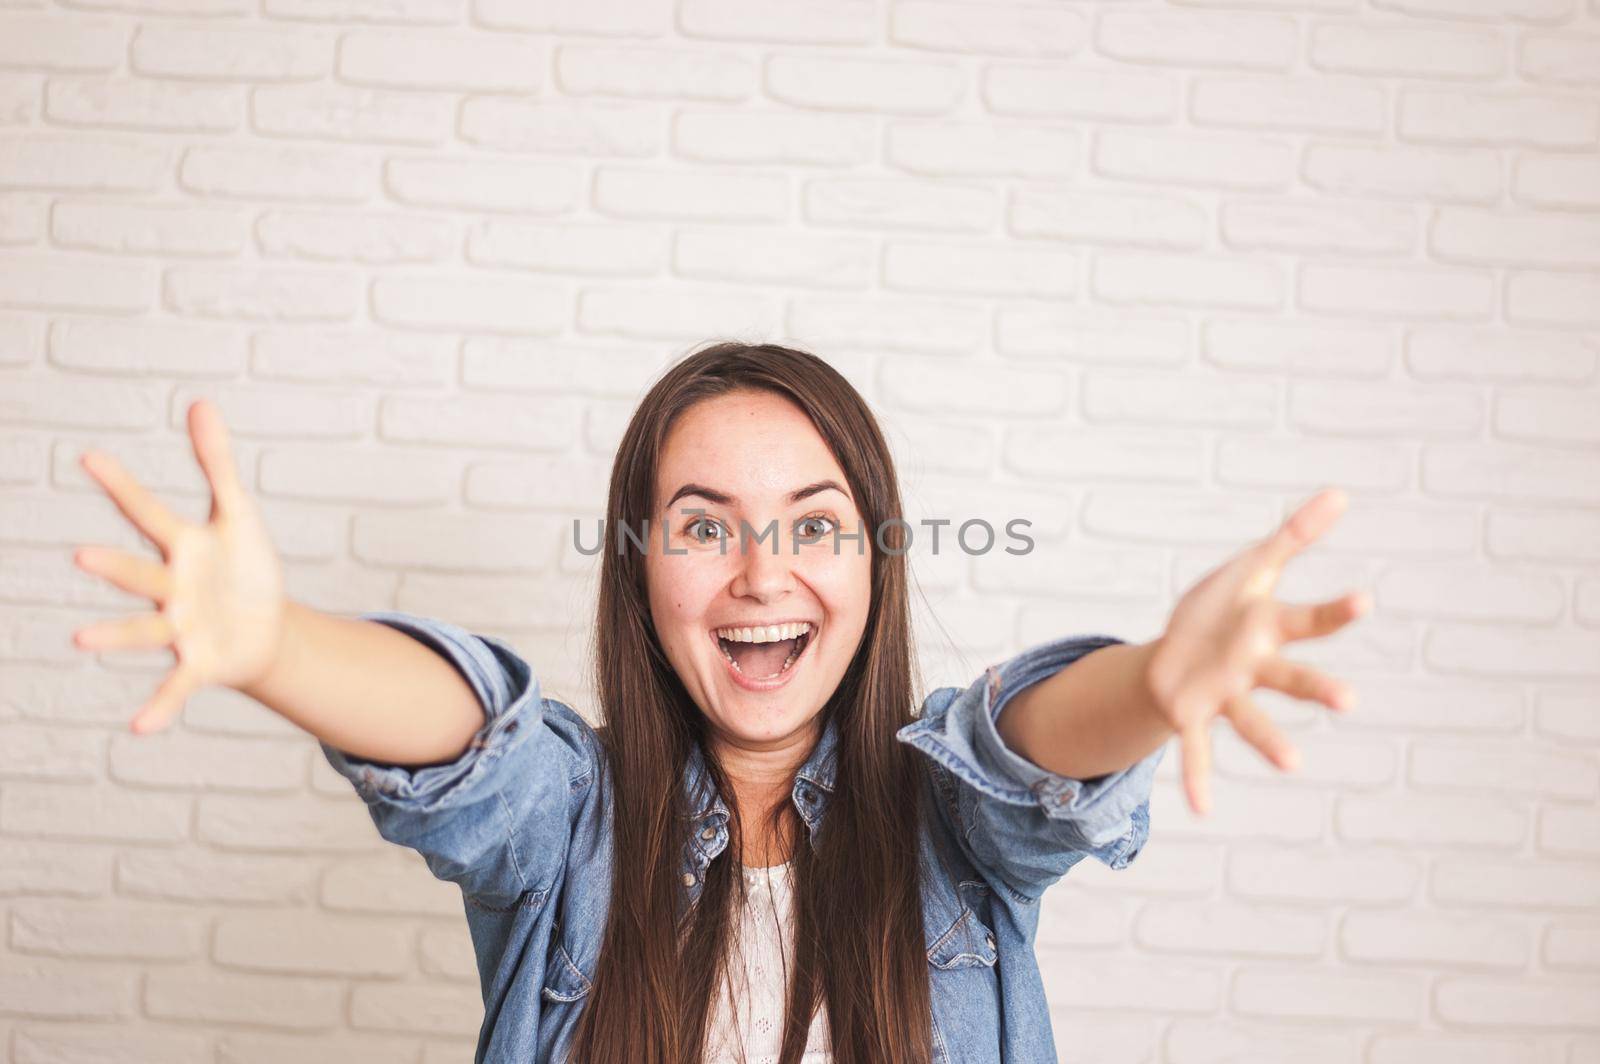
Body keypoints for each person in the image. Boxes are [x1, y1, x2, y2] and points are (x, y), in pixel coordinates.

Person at [69, 342, 1369, 1063]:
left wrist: (1151, 680)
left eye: (815, 526)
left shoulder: (946, 831)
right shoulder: (574, 824)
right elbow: (469, 744)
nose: (763, 575)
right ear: (639, 572)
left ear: (876, 565)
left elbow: (1024, 753)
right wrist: (273, 645)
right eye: (706, 526)